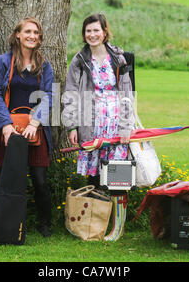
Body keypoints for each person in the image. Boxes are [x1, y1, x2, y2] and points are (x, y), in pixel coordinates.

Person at [0, 17, 55, 238]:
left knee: (40, 180)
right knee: (2, 177)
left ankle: (45, 223)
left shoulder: (44, 64)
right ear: (18, 35)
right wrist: (4, 125)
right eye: (28, 32)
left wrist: (34, 122)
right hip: (8, 129)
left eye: (36, 33)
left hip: (36, 130)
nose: (32, 36)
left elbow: (50, 96)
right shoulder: (4, 62)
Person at [63, 13, 135, 241]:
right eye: (88, 31)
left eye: (96, 30)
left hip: (115, 124)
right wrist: (72, 126)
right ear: (84, 35)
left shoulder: (119, 59)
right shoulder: (79, 60)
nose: (92, 35)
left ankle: (117, 227)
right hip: (90, 123)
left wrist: (126, 126)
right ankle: (96, 223)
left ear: (105, 32)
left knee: (117, 175)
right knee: (94, 175)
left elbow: (127, 94)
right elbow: (71, 94)